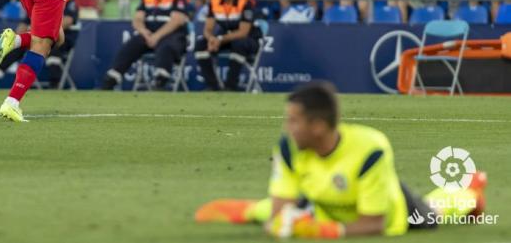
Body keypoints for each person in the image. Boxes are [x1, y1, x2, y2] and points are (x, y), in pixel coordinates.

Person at [195, 82, 488, 239]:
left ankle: (469, 193)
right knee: (289, 212)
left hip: (388, 211)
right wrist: (281, 223)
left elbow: (374, 224)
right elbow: (280, 216)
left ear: (319, 126)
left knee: (431, 214)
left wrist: (323, 231)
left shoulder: (370, 150)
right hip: (325, 204)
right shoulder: (288, 147)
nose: (288, 128)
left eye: (294, 121)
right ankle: (246, 209)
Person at [102, 0, 188, 91]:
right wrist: (144, 32)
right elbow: (137, 19)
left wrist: (156, 36)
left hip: (172, 35)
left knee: (166, 45)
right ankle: (113, 76)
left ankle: (160, 78)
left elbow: (177, 20)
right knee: (131, 45)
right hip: (149, 35)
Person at [0, 0, 81, 89]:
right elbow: (24, 25)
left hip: (61, 39)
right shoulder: (38, 0)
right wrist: (18, 38)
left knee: (51, 51)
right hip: (38, 37)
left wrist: (40, 28)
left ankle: (55, 84)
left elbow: (68, 20)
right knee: (14, 49)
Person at [195, 0, 260, 91]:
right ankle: (213, 86)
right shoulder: (214, 0)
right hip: (225, 36)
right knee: (201, 45)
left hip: (249, 38)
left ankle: (230, 86)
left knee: (239, 44)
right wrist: (211, 39)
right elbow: (208, 29)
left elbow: (243, 32)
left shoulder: (245, 1)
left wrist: (219, 39)